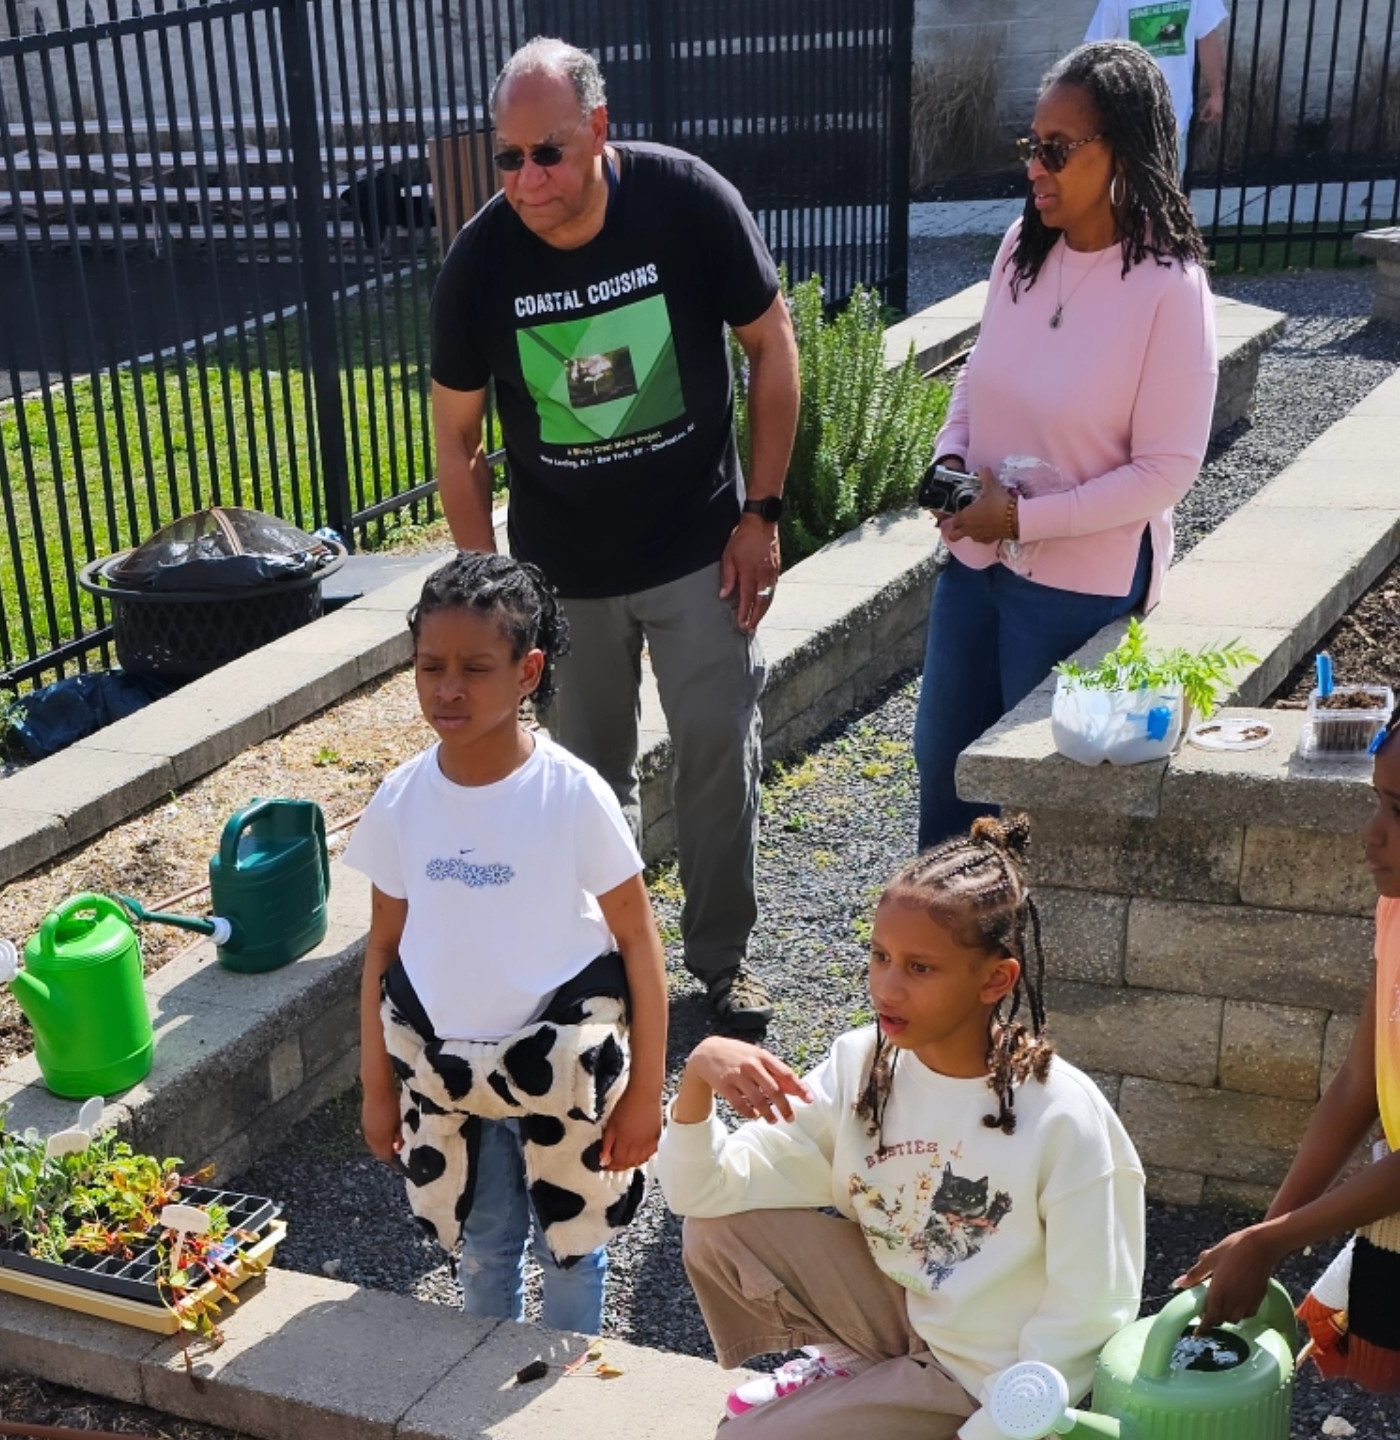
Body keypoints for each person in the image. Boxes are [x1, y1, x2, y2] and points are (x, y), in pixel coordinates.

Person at [429, 37, 800, 1032]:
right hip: (563, 573)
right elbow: (457, 439)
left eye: (547, 153)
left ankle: (722, 964)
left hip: (697, 548)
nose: (527, 180)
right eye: (508, 159)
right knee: (589, 784)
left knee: (717, 746)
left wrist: (761, 514)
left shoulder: (687, 201)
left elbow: (772, 346)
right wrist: (490, 587)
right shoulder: (481, 263)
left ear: (598, 128)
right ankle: (611, 969)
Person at [655, 815, 1145, 1440]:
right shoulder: (863, 1064)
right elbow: (699, 1193)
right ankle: (855, 1368)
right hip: (907, 1315)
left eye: (920, 969)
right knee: (716, 1231)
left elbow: (1090, 1315)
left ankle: (892, 1402)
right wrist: (698, 1077)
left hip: (981, 1377)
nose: (887, 988)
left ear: (995, 980)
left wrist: (997, 1428)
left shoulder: (1064, 1118)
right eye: (880, 956)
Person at [345, 552, 668, 1335]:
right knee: (483, 1248)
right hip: (449, 1076)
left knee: (574, 1247)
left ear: (528, 672)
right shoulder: (402, 799)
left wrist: (644, 1092)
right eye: (431, 666)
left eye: (475, 668)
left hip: (563, 1075)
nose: (448, 688)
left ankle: (568, 1385)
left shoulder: (571, 794)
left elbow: (638, 941)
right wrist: (378, 1086)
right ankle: (477, 1378)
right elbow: (383, 951)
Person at [912, 39, 1217, 849]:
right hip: (976, 562)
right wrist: (951, 459)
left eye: (1057, 149)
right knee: (944, 773)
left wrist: (1022, 519)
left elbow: (1167, 471)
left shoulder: (1169, 287)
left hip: (1077, 588)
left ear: (1122, 150)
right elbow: (978, 373)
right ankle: (934, 931)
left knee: (1031, 811)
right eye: (1033, 146)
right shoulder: (1022, 248)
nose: (1035, 168)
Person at [1177, 705, 1400, 1391]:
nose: (1371, 834)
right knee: (1376, 1372)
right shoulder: (1396, 907)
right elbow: (1360, 1081)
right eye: (1378, 802)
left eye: (1399, 811)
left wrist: (1274, 1239)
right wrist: (1262, 1239)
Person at [1084, 0, 1228, 177]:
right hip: (1128, 117)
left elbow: (1208, 38)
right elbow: (1095, 53)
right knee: (1130, 185)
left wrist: (1216, 93)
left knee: (1168, 183)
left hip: (1175, 115)